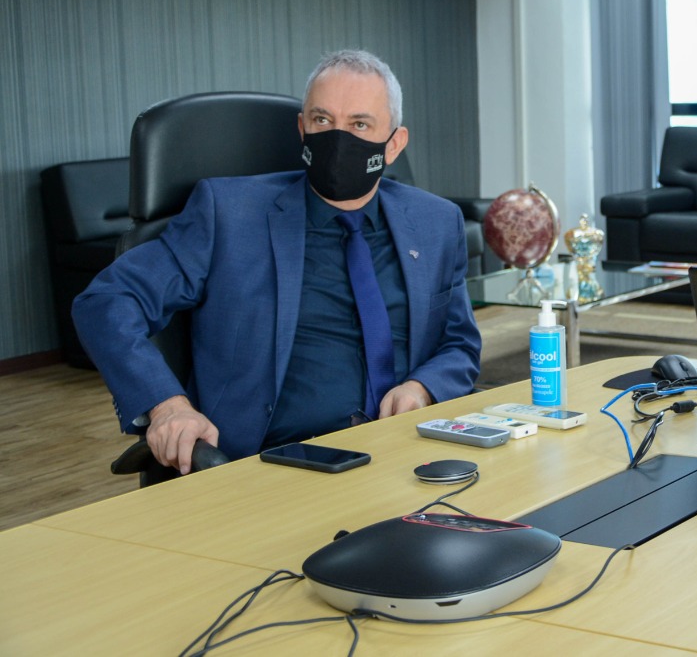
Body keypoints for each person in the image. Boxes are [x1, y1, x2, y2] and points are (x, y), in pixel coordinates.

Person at [74, 50, 482, 472]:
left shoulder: (436, 223)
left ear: (393, 144)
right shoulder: (229, 214)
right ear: (302, 129)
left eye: (359, 124)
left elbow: (460, 344)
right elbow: (107, 301)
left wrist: (421, 388)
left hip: (403, 456)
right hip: (272, 463)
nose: (337, 138)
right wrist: (167, 407)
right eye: (323, 121)